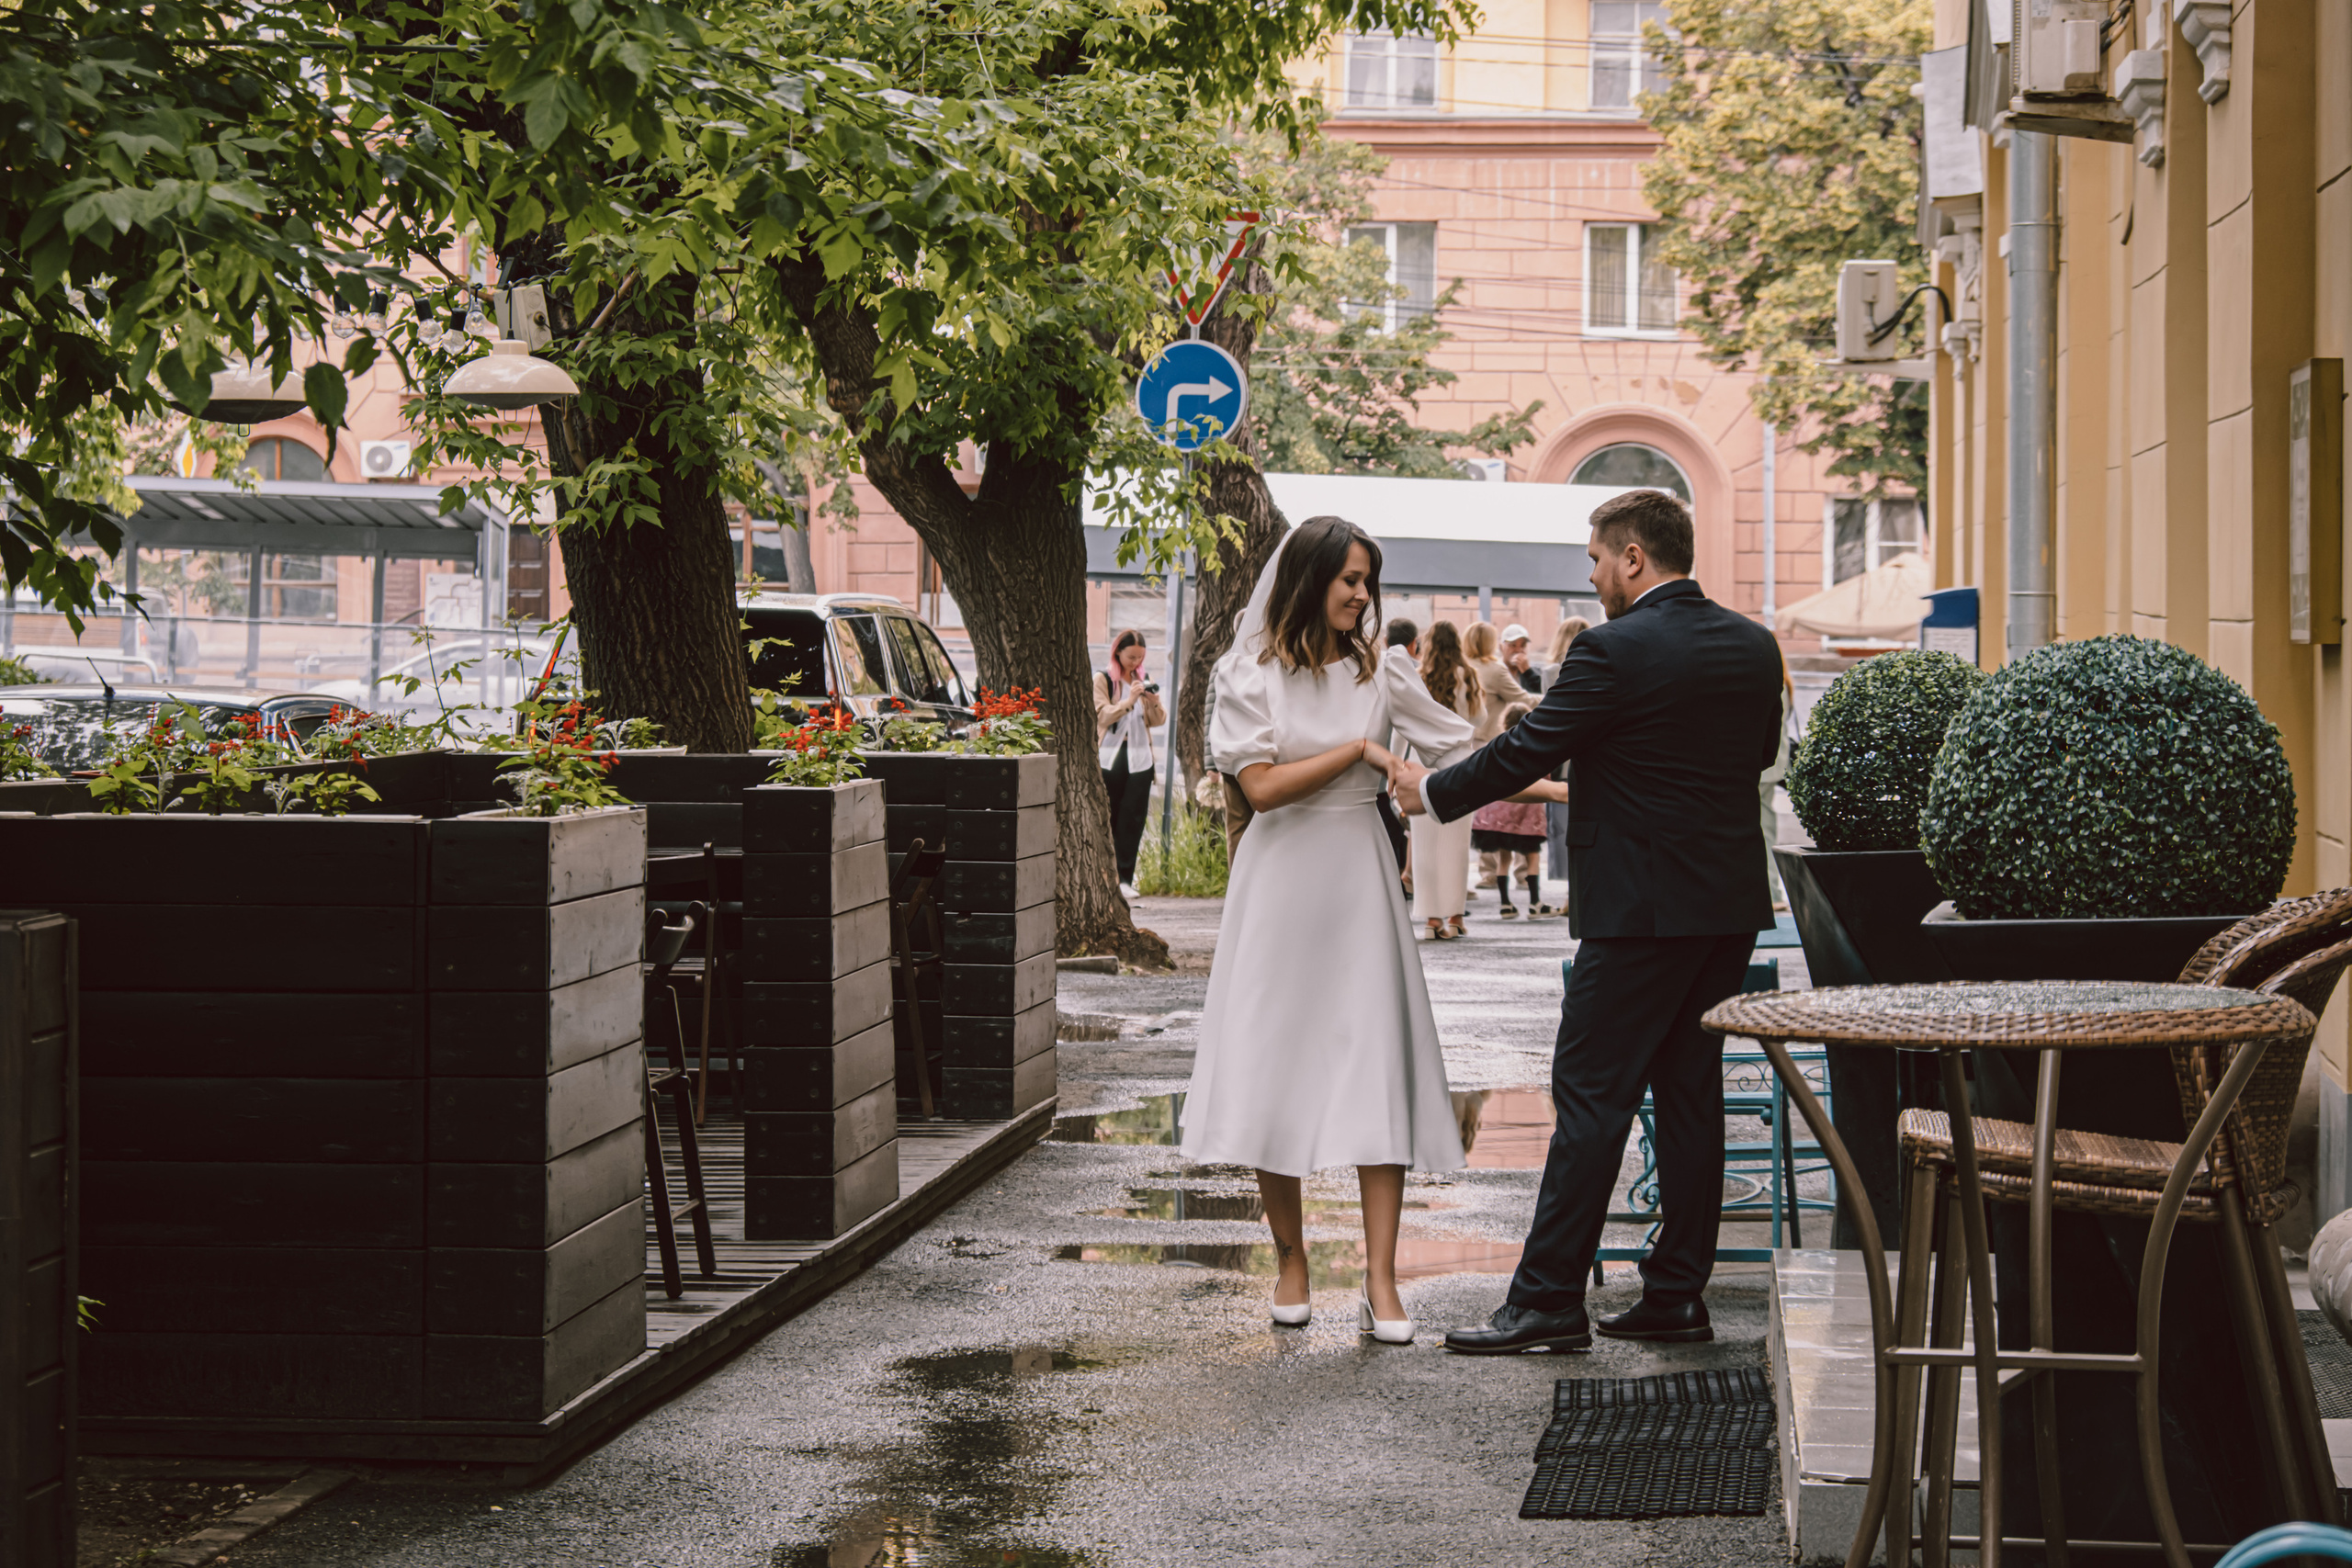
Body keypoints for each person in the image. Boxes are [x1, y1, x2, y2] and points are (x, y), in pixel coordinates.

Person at [1388, 488, 1783, 1353]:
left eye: (1598, 560)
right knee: (1690, 1097)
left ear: (1633, 556)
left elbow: (1529, 748)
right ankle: (1677, 1293)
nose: (1595, 577)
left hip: (1639, 912)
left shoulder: (1613, 649)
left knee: (1593, 1097)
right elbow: (1755, 756)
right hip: (1723, 909)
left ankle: (1547, 1302)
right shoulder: (1755, 645)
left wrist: (1433, 791)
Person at [1182, 515, 1552, 1343]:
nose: (1361, 594)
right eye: (1349, 578)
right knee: (1275, 1068)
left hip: (1359, 881)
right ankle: (1291, 1260)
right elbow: (1264, 788)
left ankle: (1383, 1281)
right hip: (1278, 884)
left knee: (1374, 1068)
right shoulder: (1247, 671)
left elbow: (1464, 749)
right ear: (1309, 578)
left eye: (1367, 581)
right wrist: (1359, 751)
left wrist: (1562, 775)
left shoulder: (1383, 670)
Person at [1410, 621, 1481, 940]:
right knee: (1456, 846)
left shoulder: (1417, 677)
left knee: (1425, 846)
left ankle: (1431, 919)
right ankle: (1455, 917)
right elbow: (1480, 720)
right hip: (1459, 764)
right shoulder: (1467, 675)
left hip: (1422, 764)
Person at [1093, 629, 1165, 897]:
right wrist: (1129, 701)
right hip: (1111, 757)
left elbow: (1159, 721)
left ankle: (1125, 879)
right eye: (1131, 657)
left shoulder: (1143, 679)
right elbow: (1102, 716)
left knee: (1133, 819)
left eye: (1140, 658)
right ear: (1117, 652)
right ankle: (1105, 878)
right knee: (1108, 816)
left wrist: (1154, 702)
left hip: (1140, 758)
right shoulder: (1103, 680)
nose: (1135, 663)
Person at [1470, 700, 1552, 918]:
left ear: (1504, 722)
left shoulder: (1498, 744)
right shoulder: (1534, 747)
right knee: (1532, 856)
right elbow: (1546, 778)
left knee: (1504, 859)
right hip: (1528, 814)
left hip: (1501, 814)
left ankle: (1505, 904)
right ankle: (1535, 903)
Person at [1538, 617, 1589, 903]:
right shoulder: (1595, 665)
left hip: (1561, 757)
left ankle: (1571, 894)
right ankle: (1579, 894)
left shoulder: (1551, 672)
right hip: (1588, 751)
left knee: (1562, 825)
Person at [1374, 617, 1420, 878]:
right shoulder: (1418, 673)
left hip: (1377, 773)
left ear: (1385, 641)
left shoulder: (1374, 670)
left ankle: (1396, 880)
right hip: (1407, 768)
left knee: (1389, 835)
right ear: (1414, 644)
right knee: (1400, 832)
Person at [1462, 621, 1522, 743]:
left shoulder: (1460, 665)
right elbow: (1522, 698)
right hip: (1485, 739)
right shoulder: (1495, 670)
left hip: (1463, 736)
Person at [1500, 623, 1541, 694]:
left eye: (1523, 645)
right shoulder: (1496, 672)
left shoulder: (1535, 673)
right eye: (1513, 645)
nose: (1518, 650)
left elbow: (1542, 696)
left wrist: (1528, 672)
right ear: (1502, 648)